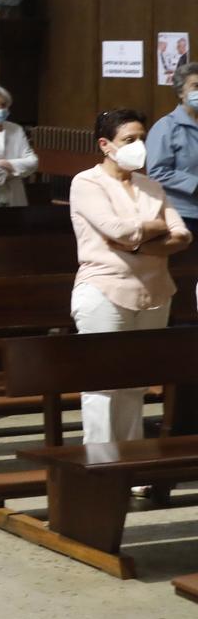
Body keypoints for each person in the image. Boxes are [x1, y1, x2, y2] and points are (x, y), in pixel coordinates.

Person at [70, 109, 192, 443]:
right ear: (106, 145)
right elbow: (117, 229)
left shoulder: (151, 185)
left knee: (135, 383)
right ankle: (99, 464)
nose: (138, 145)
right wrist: (152, 229)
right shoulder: (86, 182)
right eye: (129, 140)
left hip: (154, 292)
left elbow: (182, 235)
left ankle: (130, 464)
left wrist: (136, 246)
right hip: (104, 290)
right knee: (103, 384)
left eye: (141, 138)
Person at [146, 62, 198, 226]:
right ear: (181, 92)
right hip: (182, 214)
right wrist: (195, 184)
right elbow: (156, 171)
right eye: (196, 86)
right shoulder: (167, 126)